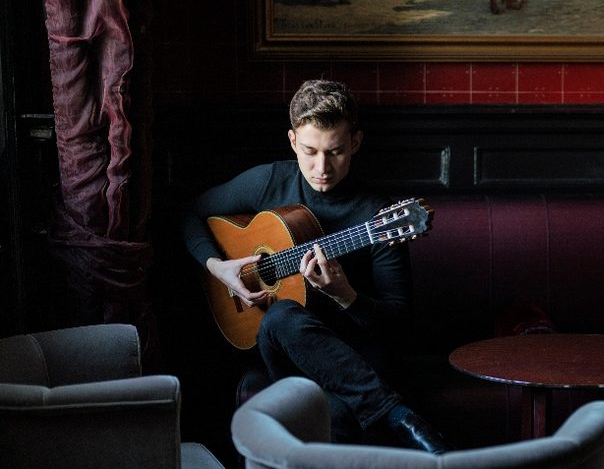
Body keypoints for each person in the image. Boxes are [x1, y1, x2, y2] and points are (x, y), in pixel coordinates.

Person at [181, 80, 449, 453]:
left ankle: (382, 414)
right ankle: (398, 415)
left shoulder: (379, 217)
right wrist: (217, 266)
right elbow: (190, 213)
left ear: (355, 142)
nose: (322, 166)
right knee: (280, 317)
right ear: (292, 141)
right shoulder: (270, 180)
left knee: (336, 411)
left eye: (336, 151)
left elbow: (399, 322)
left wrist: (346, 295)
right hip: (281, 346)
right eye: (309, 151)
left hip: (354, 352)